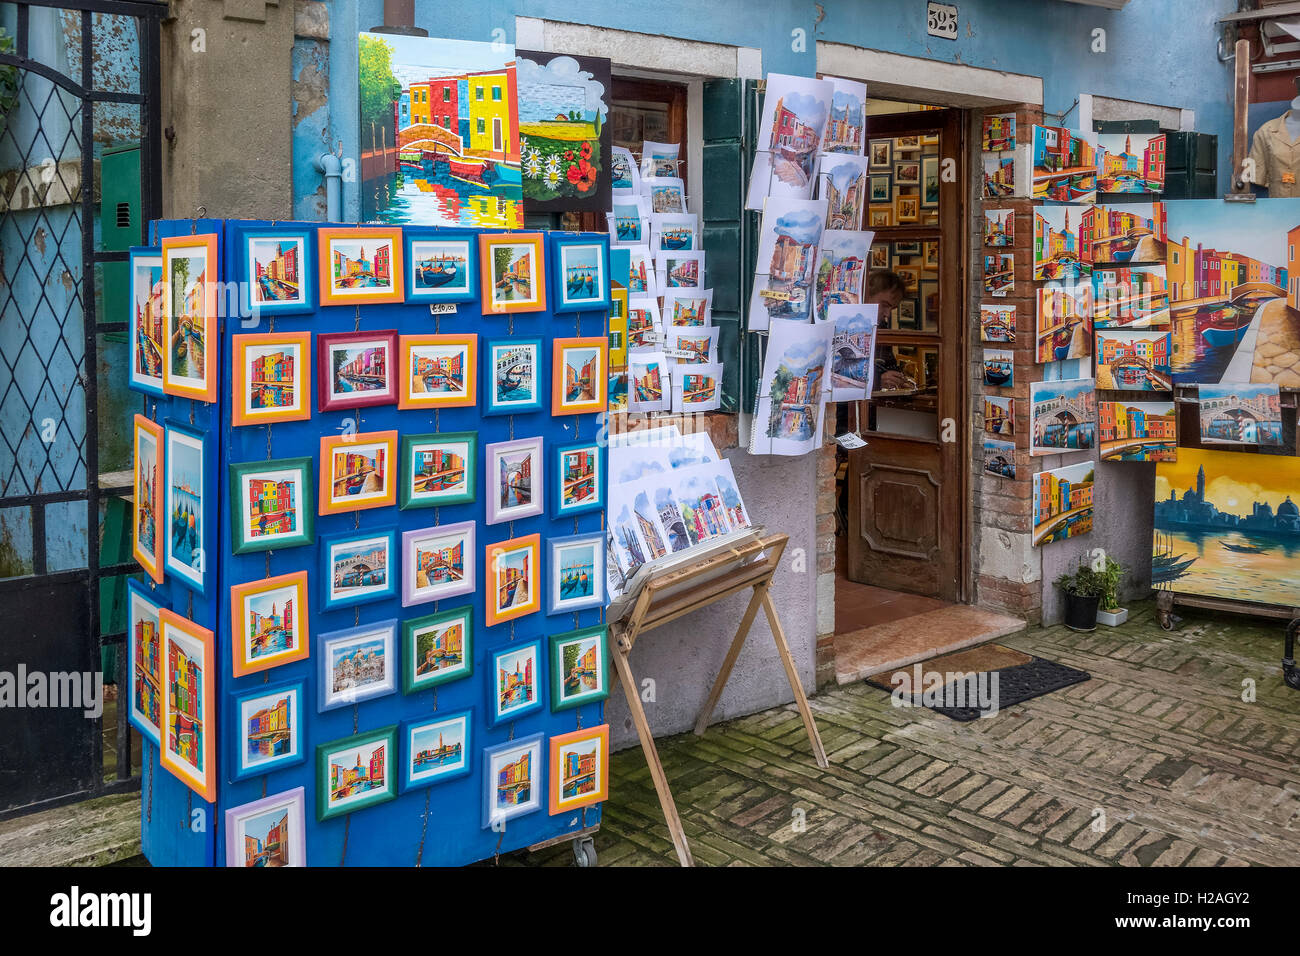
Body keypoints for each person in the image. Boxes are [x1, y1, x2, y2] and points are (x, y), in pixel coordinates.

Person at [865, 270, 911, 390]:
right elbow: (836, 374)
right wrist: (877, 380)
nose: (888, 314)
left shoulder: (881, 327)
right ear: (866, 295)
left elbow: (888, 365)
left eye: (892, 308)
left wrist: (898, 379)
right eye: (884, 305)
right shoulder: (842, 323)